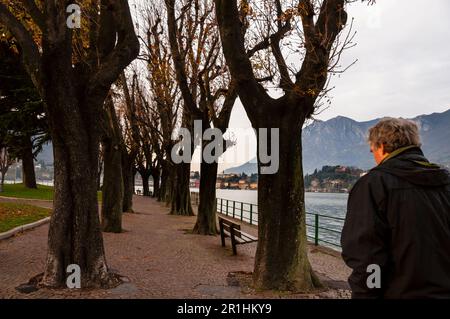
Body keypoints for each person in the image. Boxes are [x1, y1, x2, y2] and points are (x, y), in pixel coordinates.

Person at [341, 117, 450, 298]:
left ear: (382, 146)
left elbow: (367, 257)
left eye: (372, 150)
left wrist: (365, 295)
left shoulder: (374, 184)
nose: (373, 154)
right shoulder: (445, 181)